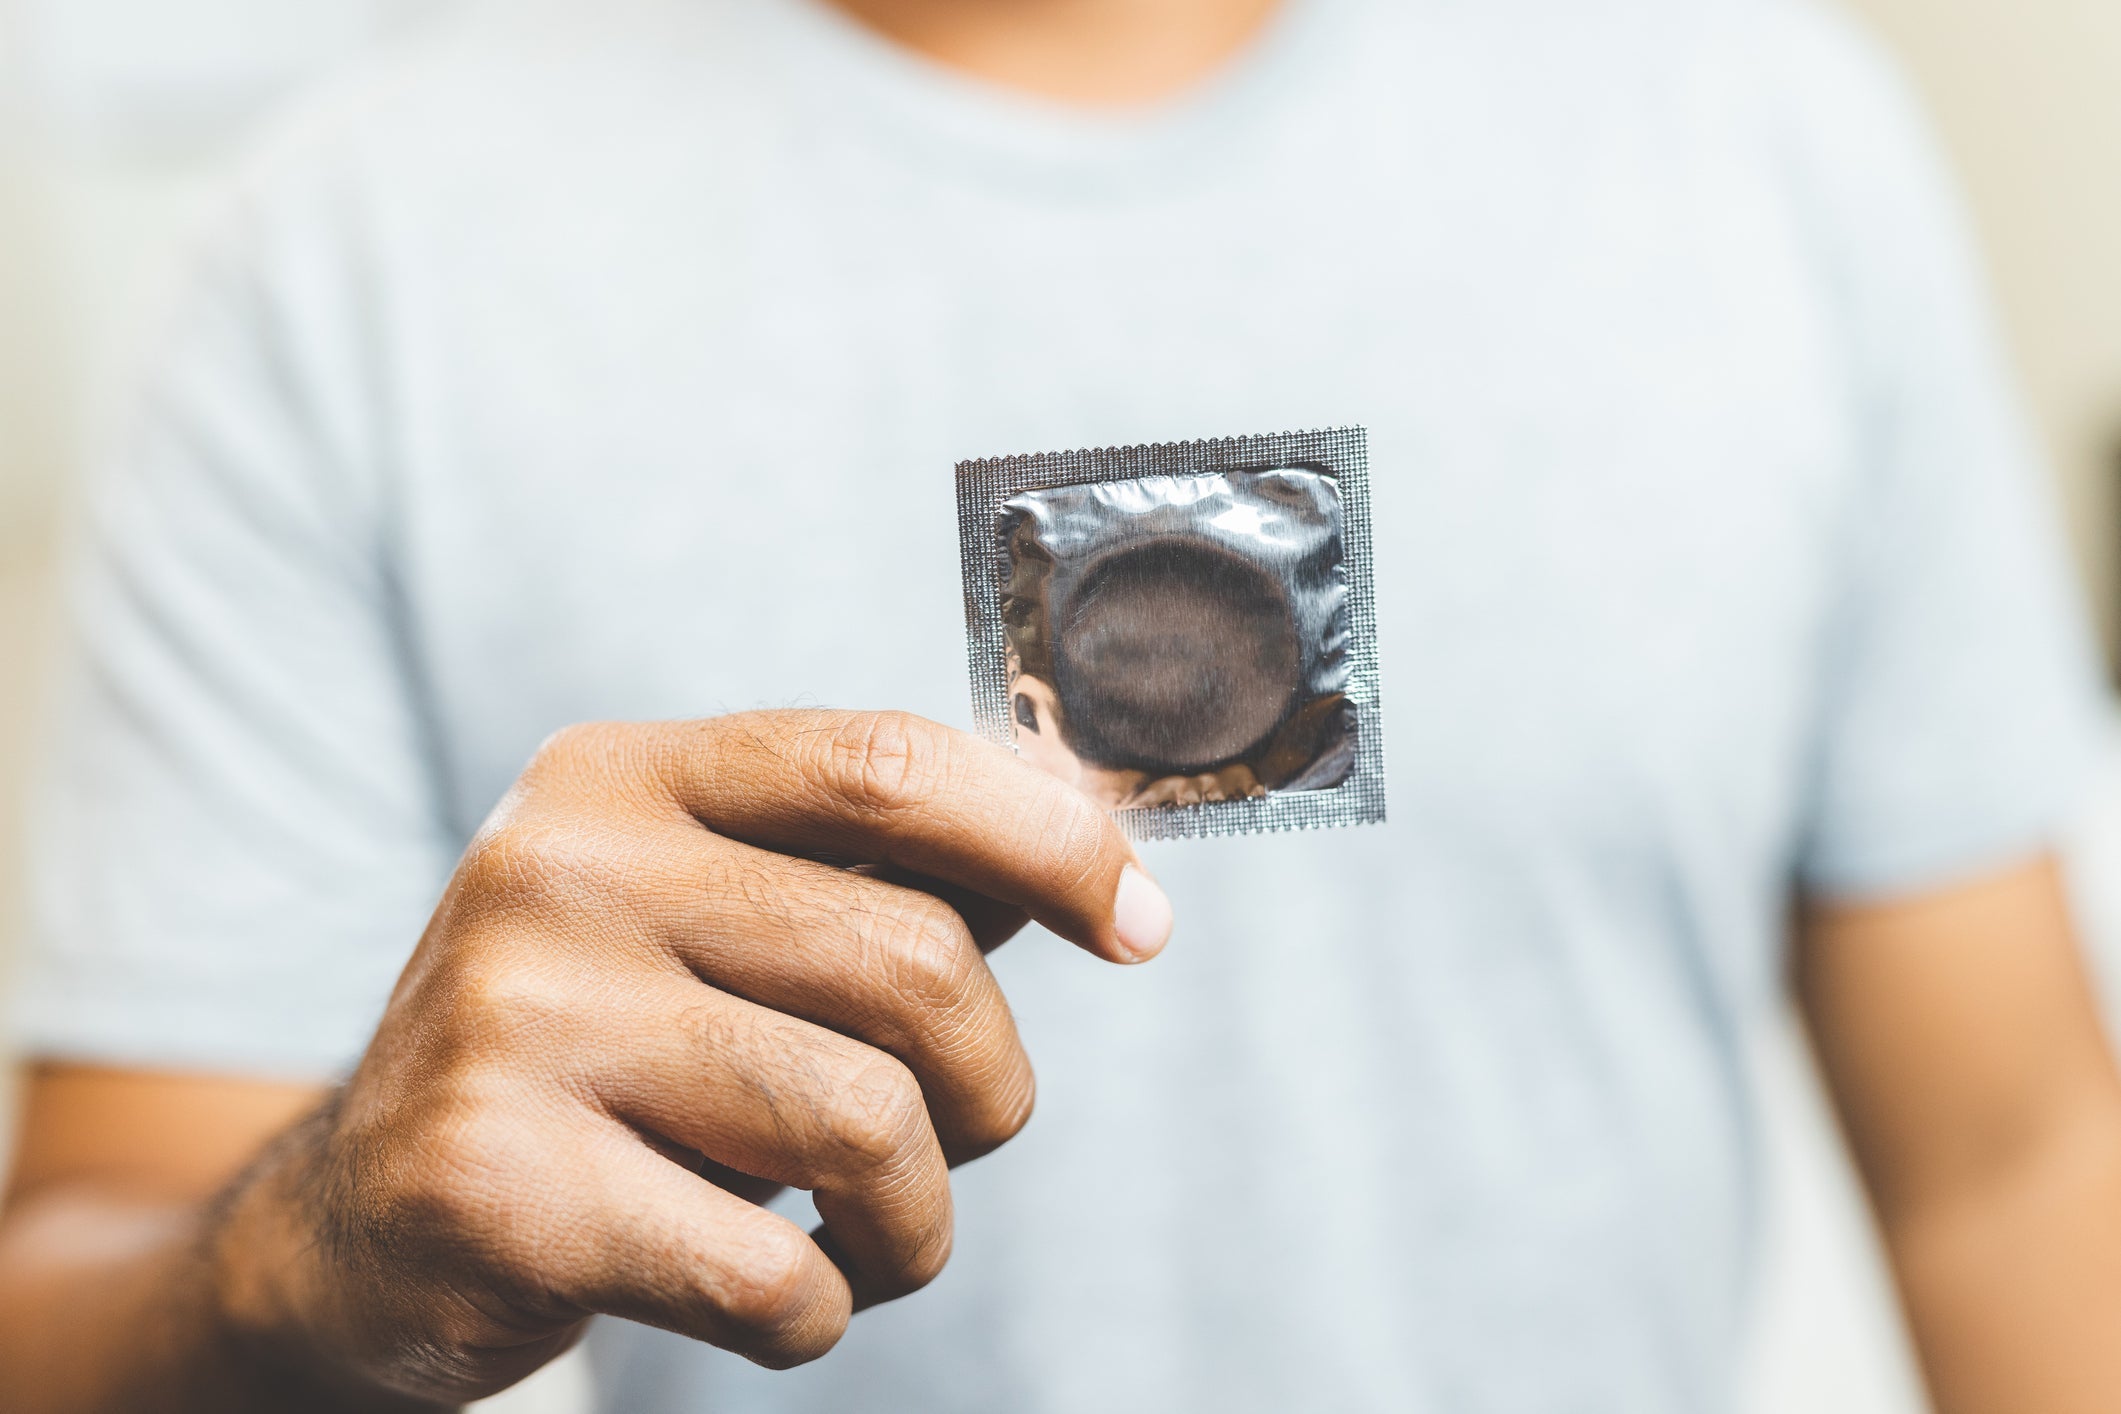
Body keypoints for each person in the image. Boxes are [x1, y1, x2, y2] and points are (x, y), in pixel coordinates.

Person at [1, 0, 2115, 1408]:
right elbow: (83, 1269)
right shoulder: (349, 253)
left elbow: (2009, 1157)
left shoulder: (1760, 131)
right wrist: (323, 1235)